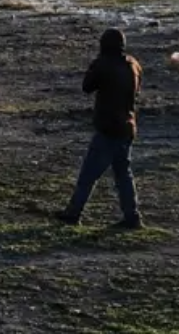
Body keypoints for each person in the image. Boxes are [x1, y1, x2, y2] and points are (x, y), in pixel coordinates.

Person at [55, 28, 144, 229]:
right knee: (123, 174)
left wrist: (94, 65)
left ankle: (73, 213)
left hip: (108, 128)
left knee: (88, 174)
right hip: (128, 126)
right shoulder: (133, 64)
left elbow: (87, 86)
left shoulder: (104, 65)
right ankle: (132, 216)